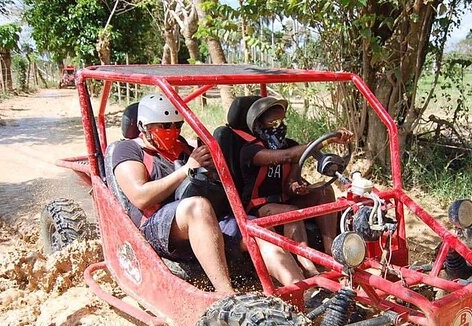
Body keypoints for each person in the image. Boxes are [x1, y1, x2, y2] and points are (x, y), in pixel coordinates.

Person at [108, 93, 304, 292]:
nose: (172, 131)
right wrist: (187, 169)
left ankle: (305, 290)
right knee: (197, 206)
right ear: (144, 127)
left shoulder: (183, 148)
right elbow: (141, 197)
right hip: (157, 227)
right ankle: (227, 296)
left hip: (206, 219)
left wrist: (212, 169)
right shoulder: (128, 150)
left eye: (177, 125)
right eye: (164, 127)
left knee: (255, 228)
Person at [239, 96, 352, 276]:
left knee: (324, 190)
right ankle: (308, 268)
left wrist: (295, 187)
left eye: (282, 121)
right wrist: (327, 140)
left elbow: (290, 182)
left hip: (285, 200)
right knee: (290, 211)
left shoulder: (289, 144)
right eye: (273, 122)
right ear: (259, 124)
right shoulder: (250, 150)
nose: (279, 126)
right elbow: (285, 157)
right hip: (259, 208)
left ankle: (332, 254)